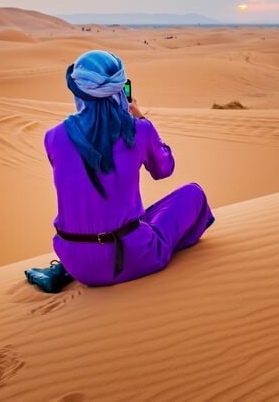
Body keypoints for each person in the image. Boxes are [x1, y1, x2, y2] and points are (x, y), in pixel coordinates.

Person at [42, 50, 214, 286]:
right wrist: (141, 120)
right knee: (194, 194)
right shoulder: (138, 130)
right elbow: (164, 169)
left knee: (135, 217)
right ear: (120, 90)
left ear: (78, 92)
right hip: (127, 258)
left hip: (74, 261)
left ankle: (65, 270)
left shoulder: (53, 137)